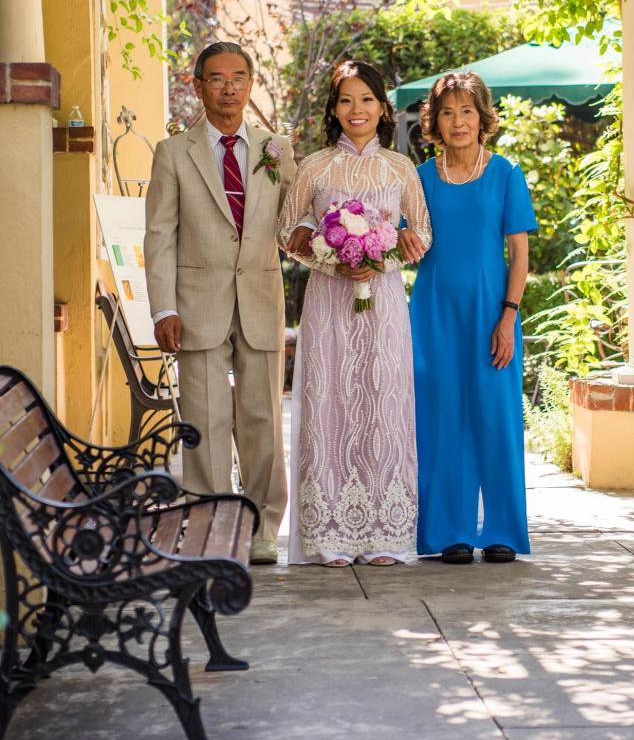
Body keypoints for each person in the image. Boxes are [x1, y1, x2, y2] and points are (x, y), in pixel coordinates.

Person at [144, 41, 296, 565]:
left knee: (262, 419)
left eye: (238, 78)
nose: (228, 88)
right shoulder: (173, 153)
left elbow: (294, 220)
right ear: (198, 86)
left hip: (260, 299)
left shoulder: (277, 149)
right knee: (205, 421)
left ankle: (262, 528)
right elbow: (159, 235)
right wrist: (163, 309)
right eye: (216, 79)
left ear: (250, 85)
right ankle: (210, 526)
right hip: (196, 305)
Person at [278, 61, 432, 567]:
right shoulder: (315, 167)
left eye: (366, 99)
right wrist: (332, 260)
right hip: (329, 300)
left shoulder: (401, 168)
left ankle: (385, 534)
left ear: (383, 108)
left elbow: (423, 233)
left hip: (383, 301)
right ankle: (331, 536)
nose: (356, 109)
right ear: (334, 108)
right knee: (330, 403)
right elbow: (286, 234)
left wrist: (386, 256)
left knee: (383, 401)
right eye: (346, 100)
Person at [403, 71, 537, 565]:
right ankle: (448, 532)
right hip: (433, 311)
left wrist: (508, 316)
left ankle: (503, 530)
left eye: (466, 111)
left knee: (495, 417)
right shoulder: (419, 178)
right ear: (434, 121)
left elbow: (519, 255)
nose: (458, 121)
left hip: (491, 312)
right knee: (441, 418)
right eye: (447, 112)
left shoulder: (506, 173)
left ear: (482, 117)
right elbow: (404, 239)